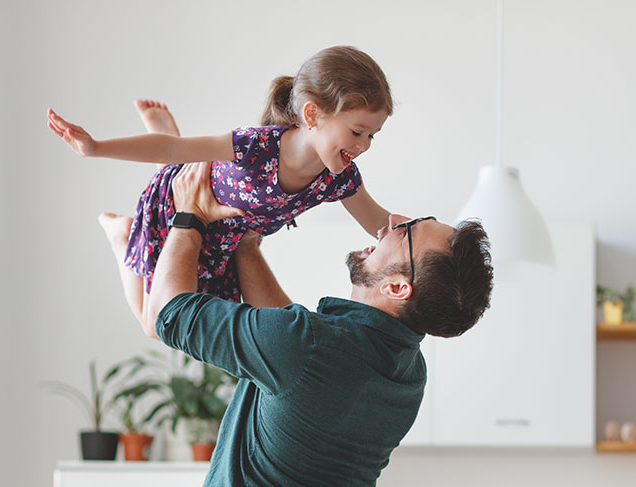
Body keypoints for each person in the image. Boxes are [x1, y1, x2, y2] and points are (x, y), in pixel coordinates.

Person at [142, 160, 493, 487]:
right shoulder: (407, 373)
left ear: (398, 287)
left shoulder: (310, 347)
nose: (391, 221)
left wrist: (189, 217)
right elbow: (295, 361)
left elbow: (167, 314)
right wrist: (246, 244)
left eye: (407, 230)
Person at [46, 46, 395, 337]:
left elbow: (381, 222)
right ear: (312, 114)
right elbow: (168, 148)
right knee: (155, 326)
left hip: (222, 243)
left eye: (372, 136)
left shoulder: (339, 178)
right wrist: (95, 147)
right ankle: (122, 235)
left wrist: (445, 236)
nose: (364, 146)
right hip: (177, 211)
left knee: (178, 322)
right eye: (357, 132)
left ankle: (173, 158)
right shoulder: (256, 146)